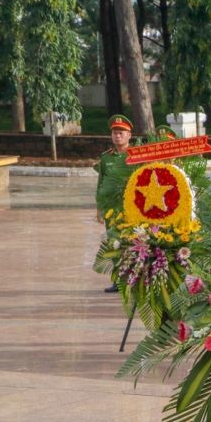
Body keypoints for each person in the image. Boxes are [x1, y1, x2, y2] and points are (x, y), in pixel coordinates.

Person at [97, 115, 133, 293]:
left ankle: (134, 280)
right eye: (114, 133)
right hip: (112, 209)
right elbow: (101, 184)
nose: (117, 136)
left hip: (132, 208)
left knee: (133, 243)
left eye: (121, 133)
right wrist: (99, 208)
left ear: (129, 135)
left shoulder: (136, 156)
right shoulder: (105, 159)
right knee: (114, 243)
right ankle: (118, 281)